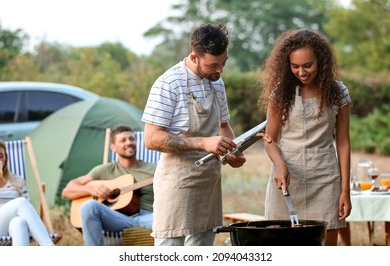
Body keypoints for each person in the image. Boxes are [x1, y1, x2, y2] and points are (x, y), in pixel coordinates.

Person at [141, 23, 249, 246]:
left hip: (208, 183)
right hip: (176, 184)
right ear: (194, 56)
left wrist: (231, 151)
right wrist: (203, 142)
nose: (219, 70)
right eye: (213, 65)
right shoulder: (169, 83)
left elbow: (223, 127)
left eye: (223, 63)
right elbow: (151, 139)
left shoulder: (217, 84)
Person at [258, 29, 352, 246]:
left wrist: (345, 191)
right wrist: (280, 164)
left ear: (321, 61)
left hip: (325, 178)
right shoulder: (280, 93)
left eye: (308, 65)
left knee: (324, 248)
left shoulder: (338, 92)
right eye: (295, 66)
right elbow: (269, 139)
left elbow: (344, 143)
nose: (301, 72)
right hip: (287, 179)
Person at [61, 125, 156, 246]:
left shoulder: (155, 169)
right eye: (123, 140)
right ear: (113, 147)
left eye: (132, 139)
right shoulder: (105, 170)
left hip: (149, 216)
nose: (129, 142)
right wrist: (90, 189)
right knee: (88, 206)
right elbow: (67, 191)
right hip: (118, 218)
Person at [0, 140, 54, 246]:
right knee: (20, 202)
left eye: (0, 155)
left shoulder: (17, 180)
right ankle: (49, 246)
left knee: (19, 223)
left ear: (5, 157)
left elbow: (27, 207)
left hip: (10, 227)